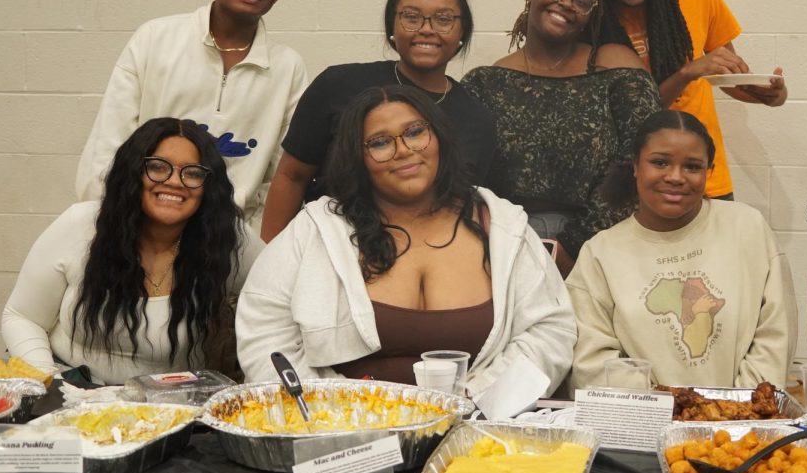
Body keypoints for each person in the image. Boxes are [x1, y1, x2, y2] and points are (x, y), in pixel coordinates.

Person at [236, 86, 576, 397]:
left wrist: (479, 401)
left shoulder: (502, 226)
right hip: (342, 434)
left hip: (477, 433)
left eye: (415, 132)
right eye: (380, 143)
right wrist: (338, 410)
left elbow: (549, 333)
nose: (403, 150)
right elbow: (265, 334)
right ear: (358, 157)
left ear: (439, 137)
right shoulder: (317, 227)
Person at [75, 0, 308, 228]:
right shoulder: (155, 38)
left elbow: (282, 176)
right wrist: (110, 227)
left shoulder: (288, 67)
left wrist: (252, 245)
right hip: (141, 228)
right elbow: (108, 144)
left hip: (227, 242)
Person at [2, 118, 261, 386]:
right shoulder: (81, 225)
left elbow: (278, 307)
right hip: (69, 395)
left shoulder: (228, 241)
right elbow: (22, 317)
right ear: (133, 172)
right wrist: (52, 386)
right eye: (158, 168)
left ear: (209, 186)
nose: (175, 181)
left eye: (193, 172)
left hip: (172, 408)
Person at [261, 0, 496, 242]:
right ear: (392, 27)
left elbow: (466, 210)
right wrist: (270, 259)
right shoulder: (337, 85)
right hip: (330, 248)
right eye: (411, 17)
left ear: (461, 32)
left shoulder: (477, 120)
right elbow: (292, 177)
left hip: (429, 259)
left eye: (444, 19)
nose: (426, 29)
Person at [568, 110, 796, 390]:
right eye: (660, 162)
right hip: (645, 426)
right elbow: (592, 363)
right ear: (636, 166)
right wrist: (670, 410)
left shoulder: (748, 228)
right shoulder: (600, 253)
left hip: (742, 426)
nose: (675, 177)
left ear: (709, 171)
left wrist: (735, 412)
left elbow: (775, 336)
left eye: (692, 166)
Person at [462, 0, 660, 274]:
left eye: (582, 0)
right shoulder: (486, 81)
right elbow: (465, 176)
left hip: (603, 247)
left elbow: (639, 160)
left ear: (590, 14)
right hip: (506, 247)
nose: (566, 2)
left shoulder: (616, 67)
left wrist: (571, 245)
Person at [574, 0, 787, 200]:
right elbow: (632, 118)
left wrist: (767, 94)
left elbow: (727, 77)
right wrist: (687, 72)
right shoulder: (591, 23)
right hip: (631, 186)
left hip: (704, 179)